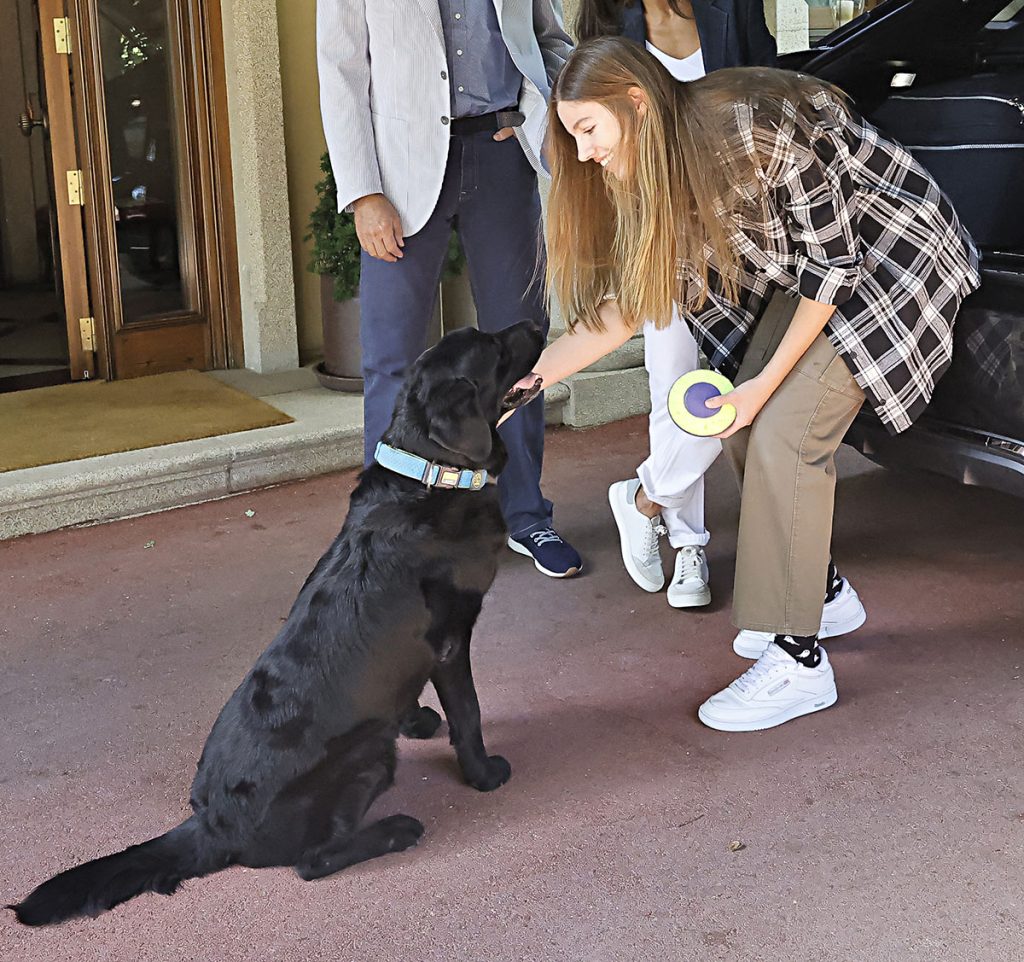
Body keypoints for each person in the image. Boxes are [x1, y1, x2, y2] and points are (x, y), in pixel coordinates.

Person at [515, 37, 981, 730]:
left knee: (786, 432)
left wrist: (764, 388)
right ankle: (818, 592)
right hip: (814, 278)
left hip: (892, 255)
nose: (581, 153)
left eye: (587, 130)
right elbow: (627, 307)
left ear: (635, 103)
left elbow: (834, 265)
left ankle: (800, 664)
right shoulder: (645, 169)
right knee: (734, 416)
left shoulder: (752, 128)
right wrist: (526, 381)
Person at [317, 0, 582, 578]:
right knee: (391, 356)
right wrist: (362, 194)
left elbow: (550, 40)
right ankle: (387, 525)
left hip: (502, 157)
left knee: (522, 348)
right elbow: (341, 71)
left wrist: (545, 117)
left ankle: (525, 515)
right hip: (402, 176)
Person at [571, 0, 776, 610]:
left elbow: (762, 88)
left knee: (736, 383)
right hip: (657, 231)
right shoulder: (609, 25)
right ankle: (689, 545)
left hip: (742, 229)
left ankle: (643, 499)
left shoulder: (730, 9)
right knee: (675, 385)